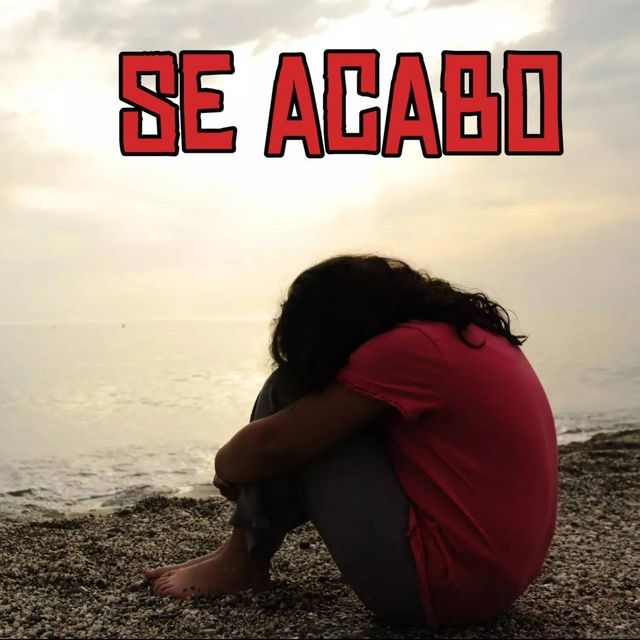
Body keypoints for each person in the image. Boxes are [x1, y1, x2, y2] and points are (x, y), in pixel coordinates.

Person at [145, 255, 558, 630]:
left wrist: (234, 470)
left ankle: (240, 564)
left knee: (288, 392)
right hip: (497, 583)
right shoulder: (462, 333)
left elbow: (265, 450)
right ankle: (236, 555)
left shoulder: (406, 348)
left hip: (438, 589)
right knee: (315, 419)